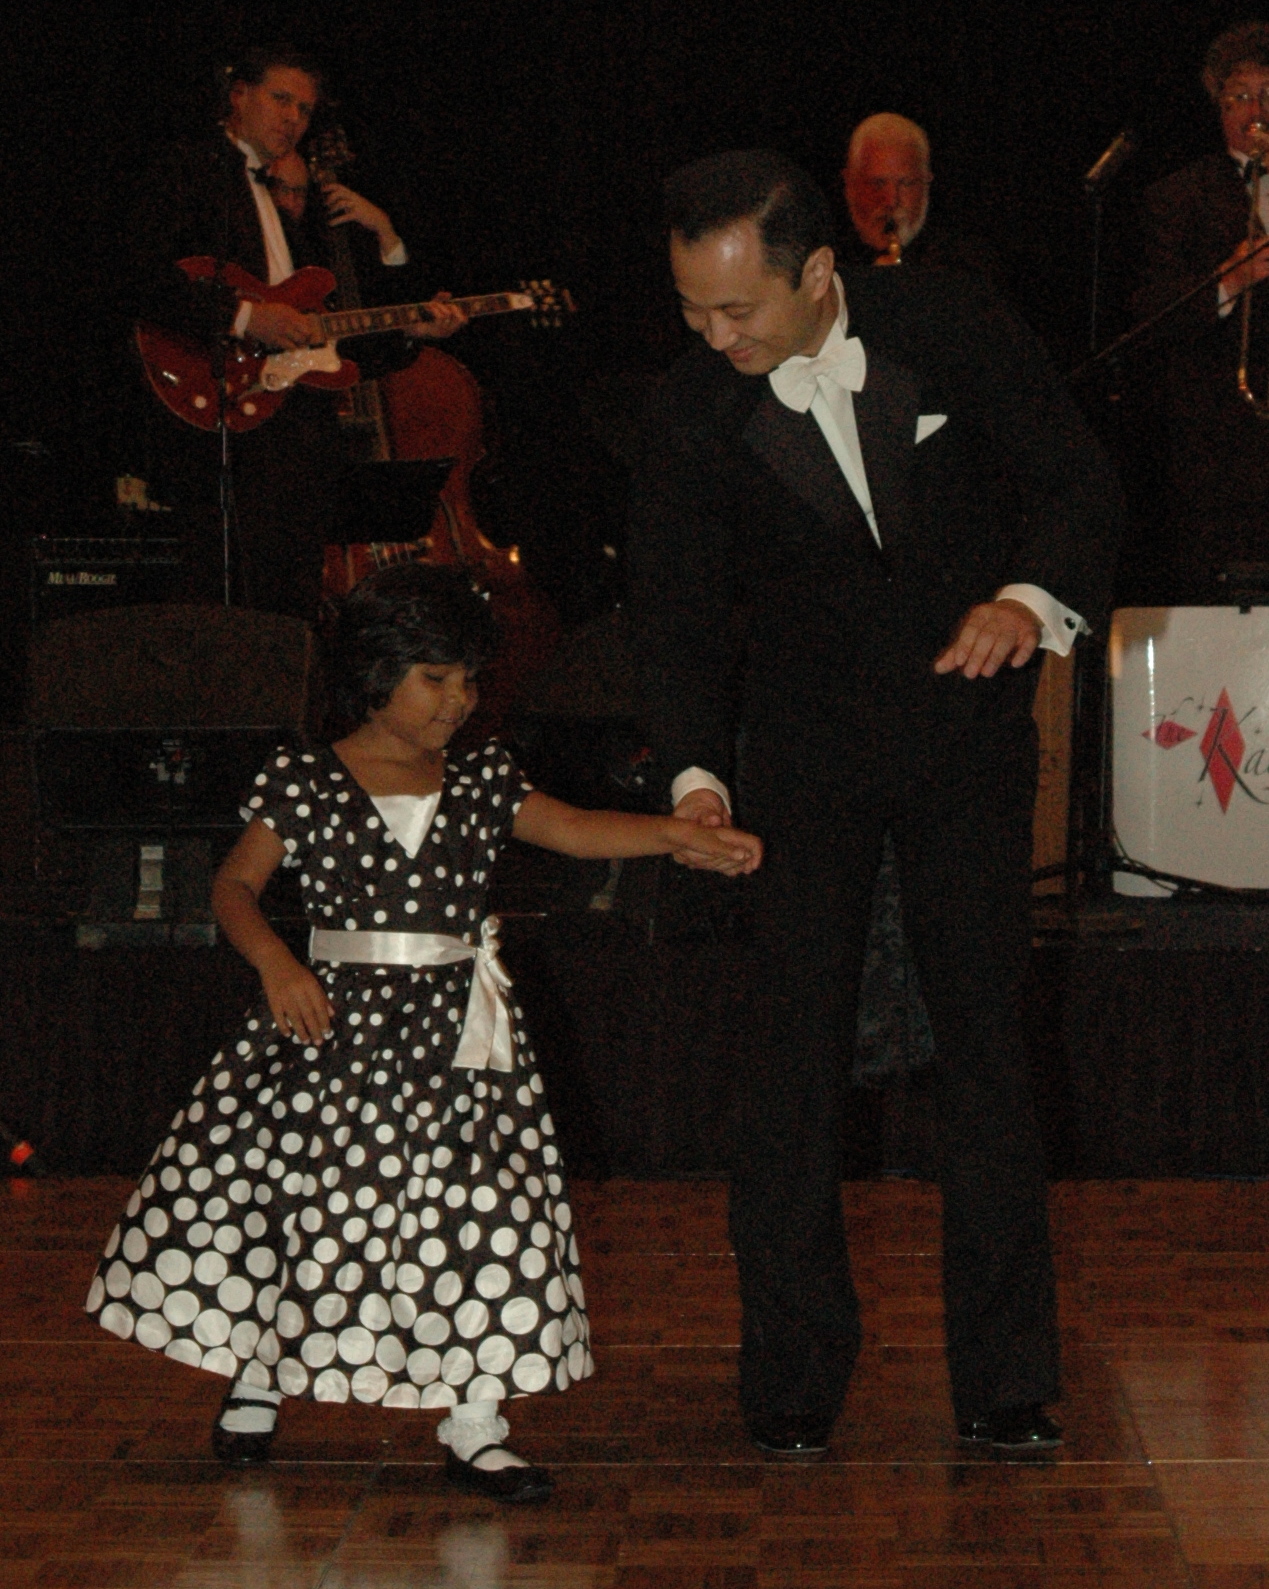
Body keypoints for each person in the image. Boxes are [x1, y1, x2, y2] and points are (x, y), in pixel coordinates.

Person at [628, 149, 1121, 1459]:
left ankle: (1006, 1378)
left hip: (965, 742)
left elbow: (1078, 483)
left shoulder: (948, 322)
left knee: (987, 1053)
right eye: (690, 308)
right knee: (789, 1066)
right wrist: (695, 777)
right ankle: (792, 1377)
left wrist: (1026, 601)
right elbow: (674, 612)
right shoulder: (690, 407)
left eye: (737, 309)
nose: (714, 335)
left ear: (817, 272)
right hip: (800, 761)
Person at [84, 562, 761, 1502]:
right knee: (305, 1210)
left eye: (468, 680)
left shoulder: (479, 779)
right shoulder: (307, 779)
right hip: (332, 1038)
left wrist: (675, 836)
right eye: (434, 678)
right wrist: (278, 964)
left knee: (482, 1215)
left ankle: (476, 1420)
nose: (457, 699)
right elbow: (233, 886)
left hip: (457, 1045)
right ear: (374, 674)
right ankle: (261, 1368)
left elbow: (571, 828)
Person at [131, 44, 464, 619]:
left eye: (305, 110)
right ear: (238, 96)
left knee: (292, 596)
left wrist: (410, 332)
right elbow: (137, 274)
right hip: (222, 409)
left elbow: (330, 335)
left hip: (297, 430)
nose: (293, 119)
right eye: (281, 99)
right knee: (226, 594)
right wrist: (244, 317)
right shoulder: (190, 170)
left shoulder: (289, 208)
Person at [1135, 21, 1269, 591]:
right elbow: (1151, 314)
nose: (1255, 111)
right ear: (1219, 108)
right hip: (1222, 453)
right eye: (1239, 97)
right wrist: (1230, 280)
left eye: (1268, 94)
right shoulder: (1178, 196)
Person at [840, 113, 998, 279]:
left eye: (906, 183)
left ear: (927, 182)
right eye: (878, 183)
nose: (891, 201)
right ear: (850, 183)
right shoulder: (832, 253)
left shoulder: (964, 264)